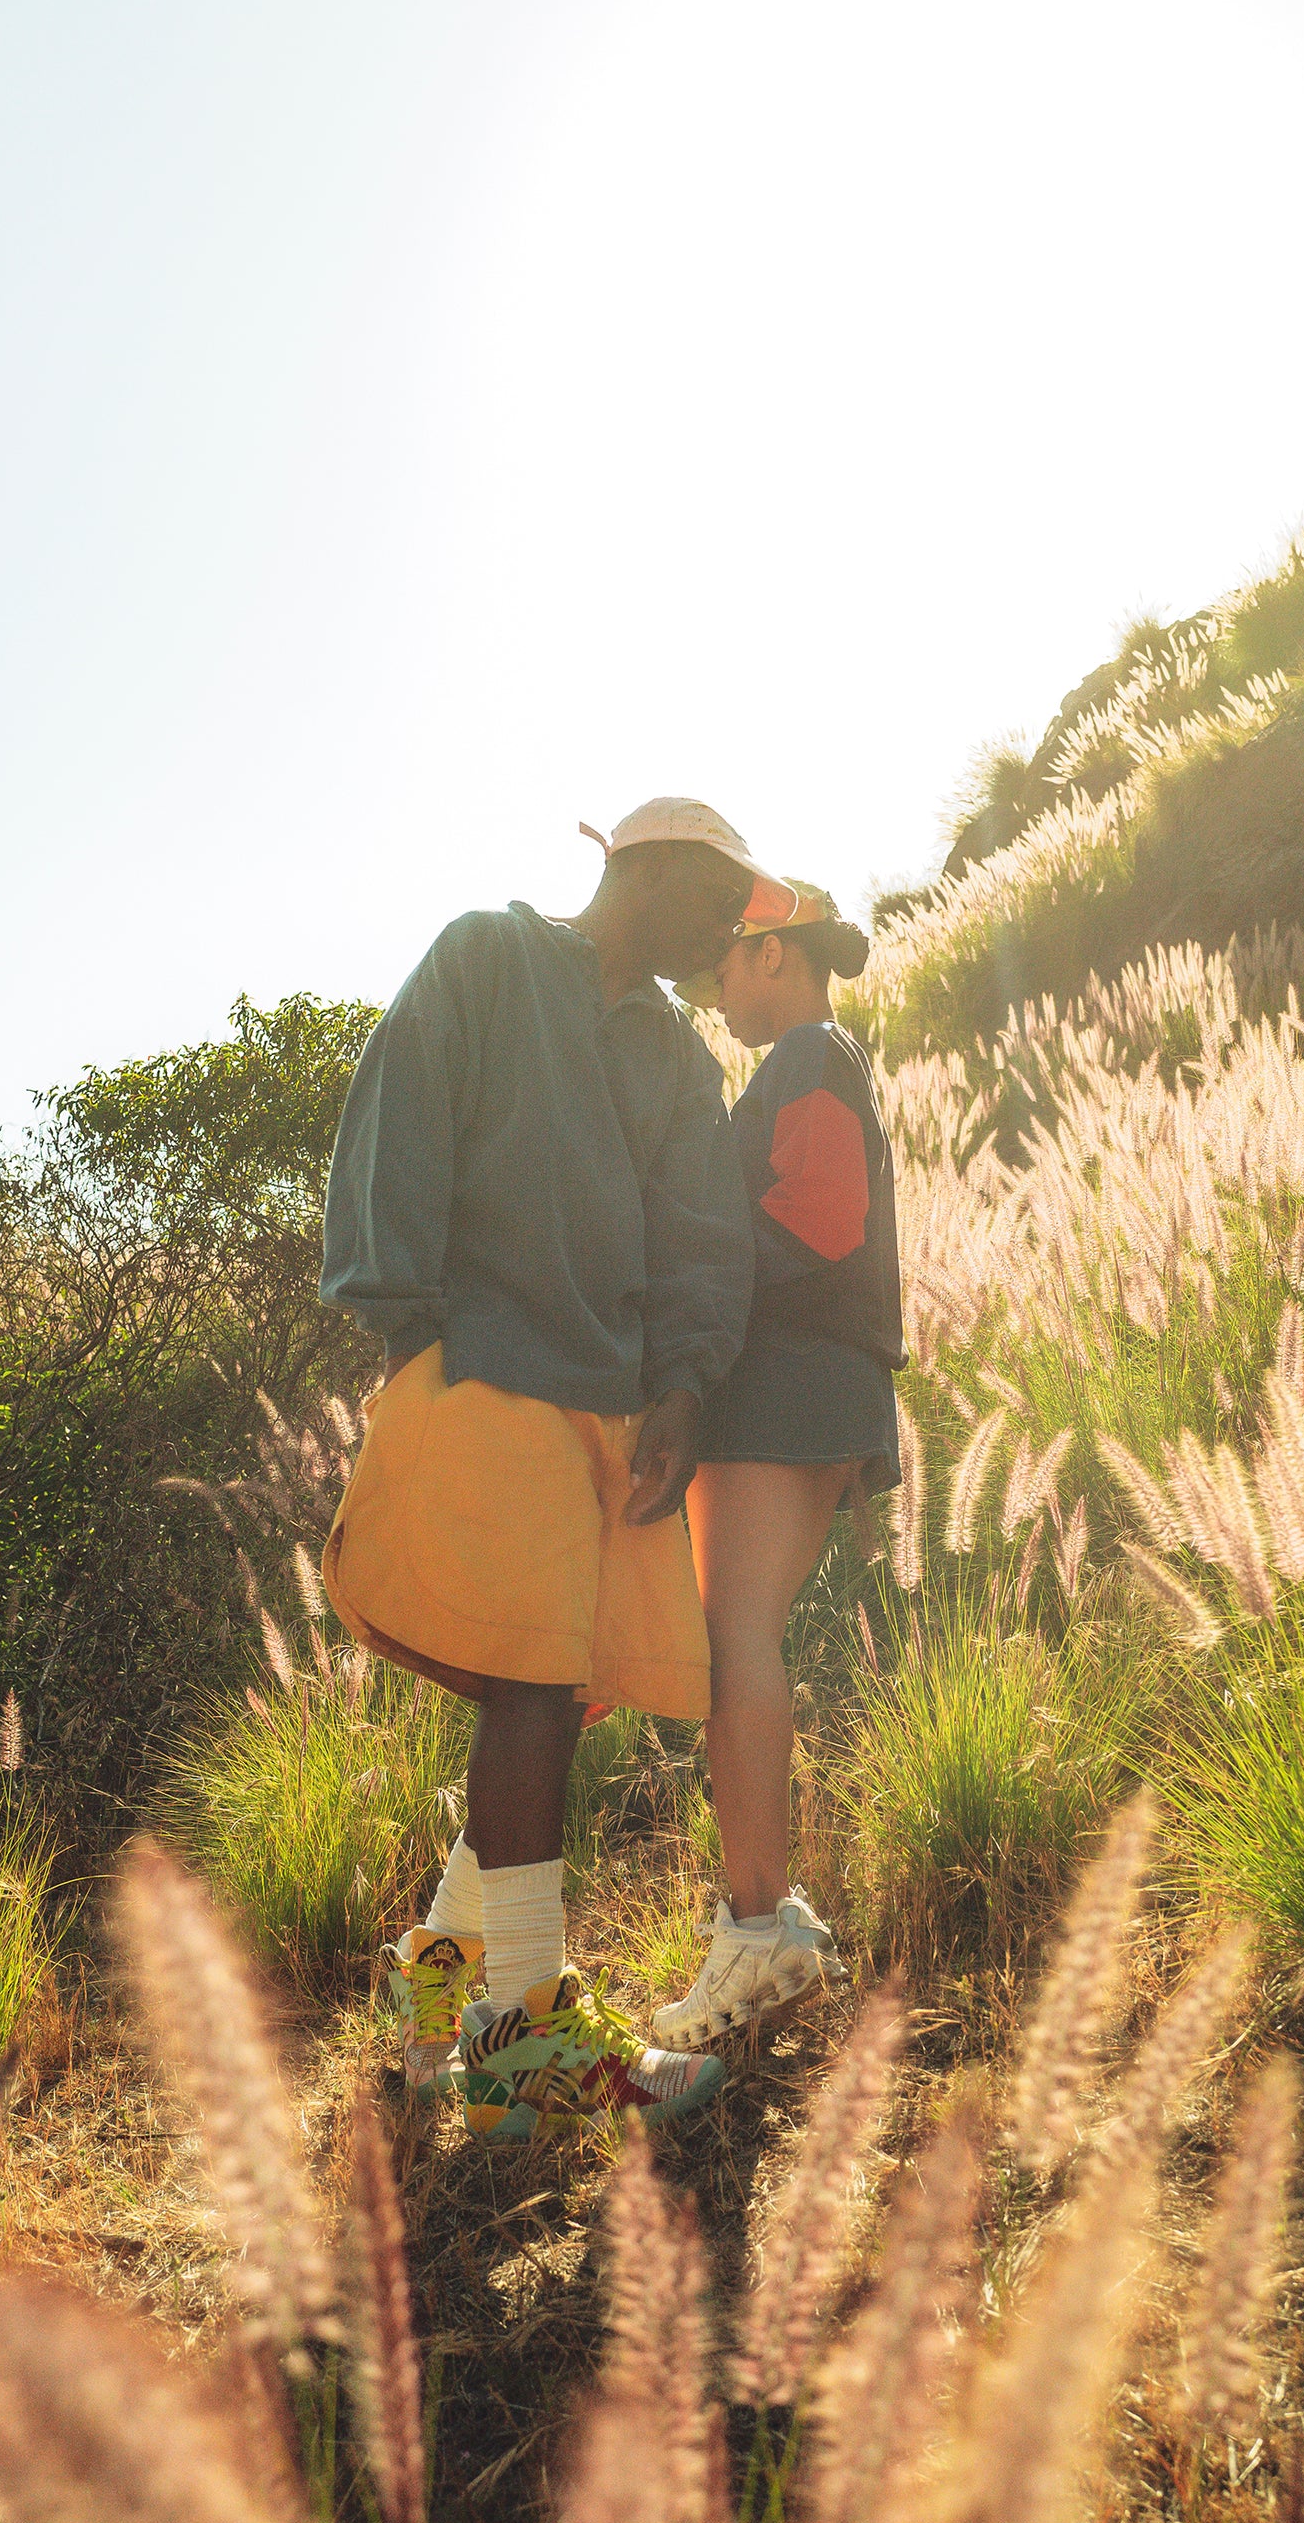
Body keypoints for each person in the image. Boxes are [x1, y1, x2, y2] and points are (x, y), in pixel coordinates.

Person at [319, 797, 788, 2137]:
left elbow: (703, 1234)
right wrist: (414, 1326)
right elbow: (395, 1113)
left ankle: (431, 2001)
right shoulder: (484, 957)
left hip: (612, 1407)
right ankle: (524, 2035)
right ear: (644, 869)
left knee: (557, 1698)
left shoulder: (675, 1056)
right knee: (530, 1689)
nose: (720, 935)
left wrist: (686, 1383)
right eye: (714, 903)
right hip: (479, 1368)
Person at [652, 882, 903, 2048]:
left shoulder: (807, 1052)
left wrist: (684, 1269)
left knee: (732, 1640)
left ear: (772, 954)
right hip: (798, 1388)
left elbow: (821, 1217)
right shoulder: (808, 1057)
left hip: (787, 1387)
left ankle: (756, 1933)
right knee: (730, 1638)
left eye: (721, 967)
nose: (712, 993)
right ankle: (766, 1917)